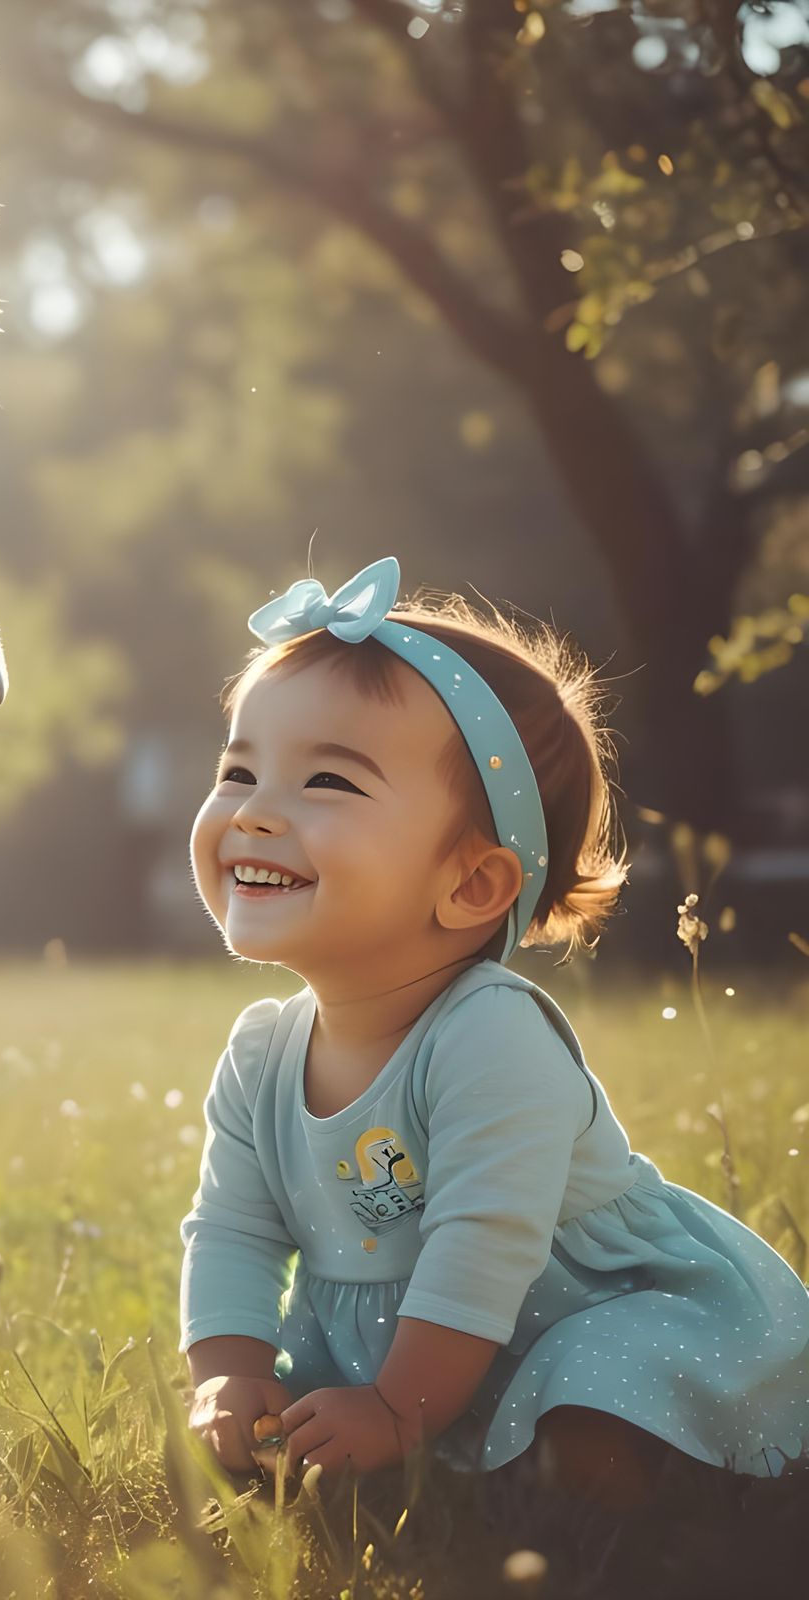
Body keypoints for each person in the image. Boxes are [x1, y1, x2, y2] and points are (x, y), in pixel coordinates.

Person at [180, 556, 809, 1508]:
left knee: (589, 1415)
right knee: (283, 1445)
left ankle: (624, 1496)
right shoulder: (263, 1054)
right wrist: (227, 1369)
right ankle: (445, 1453)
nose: (255, 812)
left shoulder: (489, 1036)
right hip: (404, 1346)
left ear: (472, 885)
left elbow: (484, 1245)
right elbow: (231, 1228)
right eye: (238, 770)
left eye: (328, 784)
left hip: (574, 1311)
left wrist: (399, 1410)